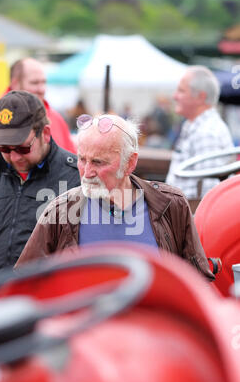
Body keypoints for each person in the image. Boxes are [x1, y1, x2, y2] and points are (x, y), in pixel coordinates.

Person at [15, 113, 214, 281]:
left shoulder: (171, 205)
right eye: (82, 159)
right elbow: (23, 283)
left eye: (98, 162)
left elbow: (198, 282)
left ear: (130, 163)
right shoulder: (60, 212)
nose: (87, 172)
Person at [0, 90, 80, 274]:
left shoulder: (77, 177)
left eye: (22, 147)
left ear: (46, 133)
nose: (14, 156)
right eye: (3, 148)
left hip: (47, 298)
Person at [0, 58, 76, 176]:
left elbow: (73, 165)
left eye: (43, 82)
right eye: (34, 83)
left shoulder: (56, 119)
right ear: (15, 84)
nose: (41, 89)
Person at [166, 66, 234, 199]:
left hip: (188, 216)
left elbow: (210, 195)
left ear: (200, 97)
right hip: (183, 212)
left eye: (181, 90)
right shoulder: (201, 126)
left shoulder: (207, 132)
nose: (175, 96)